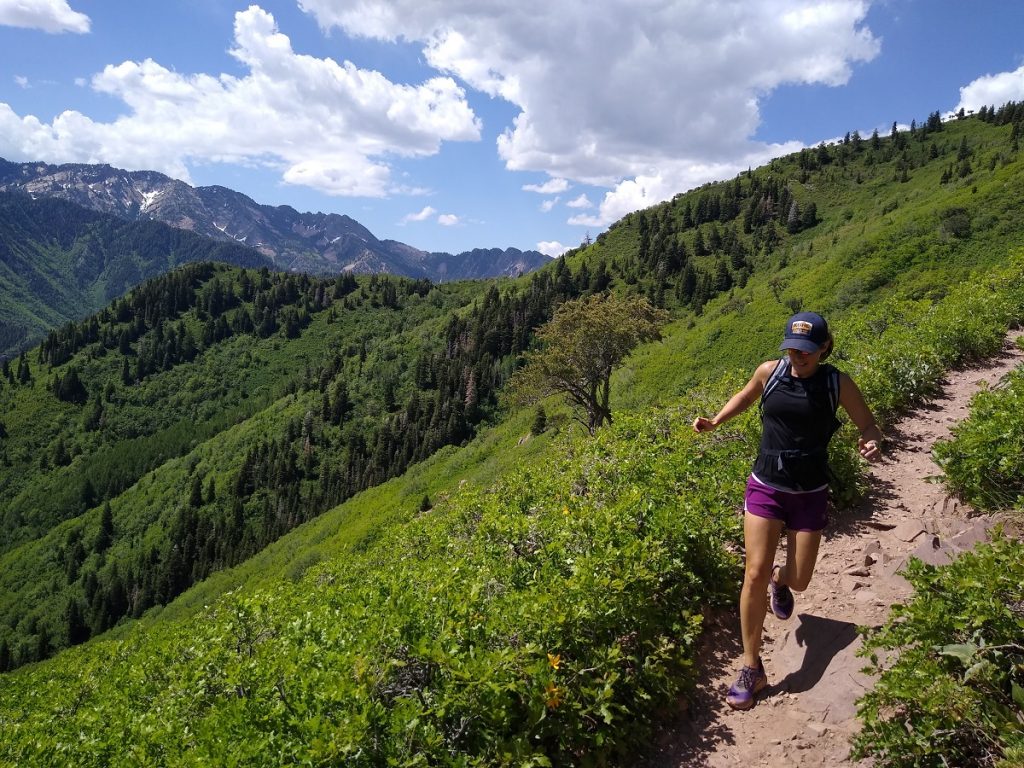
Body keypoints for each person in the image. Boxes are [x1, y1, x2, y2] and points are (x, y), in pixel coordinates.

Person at [692, 311, 882, 710]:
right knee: (753, 571)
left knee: (799, 580)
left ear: (825, 347)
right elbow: (746, 397)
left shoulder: (837, 383)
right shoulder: (771, 372)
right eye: (792, 348)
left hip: (810, 491)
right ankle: (751, 666)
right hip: (766, 485)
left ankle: (782, 580)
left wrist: (870, 441)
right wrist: (717, 421)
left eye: (808, 350)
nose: (798, 356)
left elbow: (868, 425)